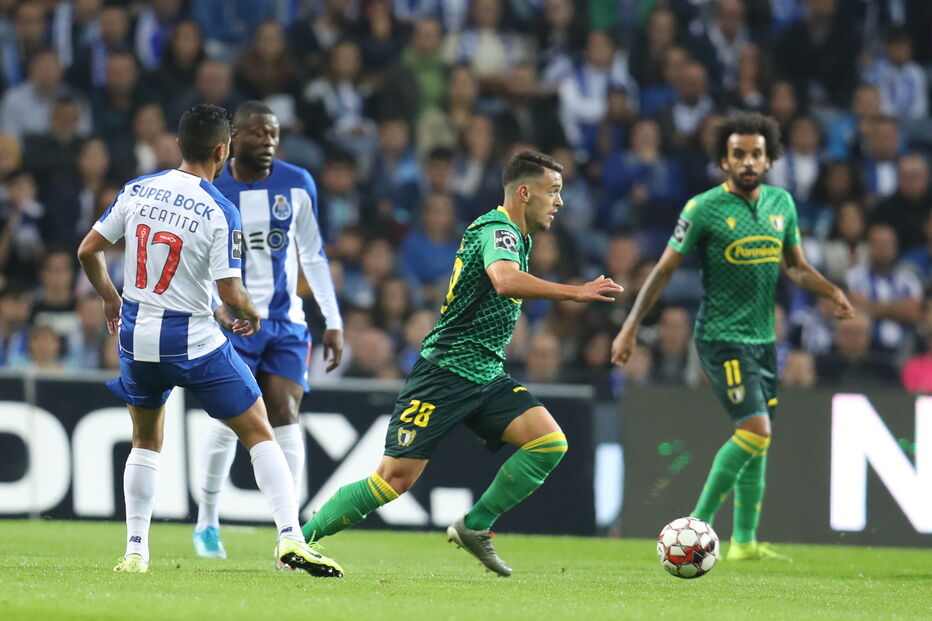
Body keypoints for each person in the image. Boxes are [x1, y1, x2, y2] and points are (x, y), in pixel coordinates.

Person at [298, 151, 623, 576]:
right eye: (554, 191)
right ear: (524, 192)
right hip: (446, 372)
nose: (560, 202)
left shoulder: (518, 236)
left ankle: (476, 527)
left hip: (486, 373)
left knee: (549, 443)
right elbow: (504, 280)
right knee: (392, 481)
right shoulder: (499, 229)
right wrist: (575, 292)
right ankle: (298, 542)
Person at [76, 103, 342, 577]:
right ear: (223, 150)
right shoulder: (220, 208)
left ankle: (136, 550)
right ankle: (289, 537)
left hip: (138, 337)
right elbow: (231, 292)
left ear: (179, 143)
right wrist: (248, 313)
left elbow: (88, 250)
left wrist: (111, 298)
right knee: (261, 428)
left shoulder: (138, 190)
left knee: (145, 439)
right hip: (194, 341)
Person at [611, 113, 853, 561]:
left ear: (769, 158)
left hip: (764, 341)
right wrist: (628, 328)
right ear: (723, 160)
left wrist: (832, 289)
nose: (748, 161)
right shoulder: (702, 208)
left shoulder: (782, 204)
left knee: (760, 439)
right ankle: (694, 530)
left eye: (756, 154)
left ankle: (744, 541)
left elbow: (796, 267)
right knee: (755, 429)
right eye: (738, 154)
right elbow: (664, 270)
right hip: (721, 337)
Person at [193, 101, 344, 560]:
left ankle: (290, 531)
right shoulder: (212, 189)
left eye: (274, 134)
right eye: (259, 134)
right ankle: (207, 521)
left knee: (284, 410)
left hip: (286, 322)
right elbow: (195, 259)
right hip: (234, 321)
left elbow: (313, 255)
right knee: (231, 419)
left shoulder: (297, 183)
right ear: (235, 137)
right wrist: (213, 309)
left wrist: (333, 320)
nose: (268, 142)